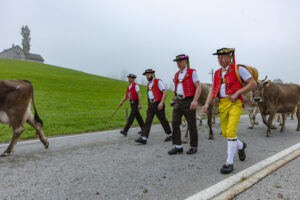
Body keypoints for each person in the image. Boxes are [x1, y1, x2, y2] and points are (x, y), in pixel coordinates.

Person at [203, 48, 256, 174]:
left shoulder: (239, 69)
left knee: (231, 130)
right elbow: (213, 90)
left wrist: (238, 92)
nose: (219, 59)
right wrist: (206, 103)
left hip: (235, 103)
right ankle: (241, 146)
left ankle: (229, 162)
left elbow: (252, 83)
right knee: (226, 133)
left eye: (222, 57)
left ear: (229, 57)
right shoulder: (217, 73)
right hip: (222, 104)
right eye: (218, 57)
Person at [168, 54, 201, 155]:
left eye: (181, 62)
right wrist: (174, 99)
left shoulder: (192, 72)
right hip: (178, 100)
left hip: (189, 100)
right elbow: (178, 88)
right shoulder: (177, 74)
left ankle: (193, 146)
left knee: (191, 124)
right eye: (177, 62)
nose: (178, 64)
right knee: (174, 122)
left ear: (186, 62)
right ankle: (178, 146)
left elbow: (198, 87)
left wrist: (195, 101)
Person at [135, 69, 172, 144]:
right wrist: (149, 103)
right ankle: (144, 137)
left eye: (148, 75)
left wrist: (161, 103)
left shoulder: (158, 81)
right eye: (146, 75)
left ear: (152, 74)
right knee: (148, 120)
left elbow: (165, 92)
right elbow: (150, 95)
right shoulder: (148, 84)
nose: (147, 77)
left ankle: (170, 134)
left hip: (158, 103)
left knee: (163, 120)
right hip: (151, 104)